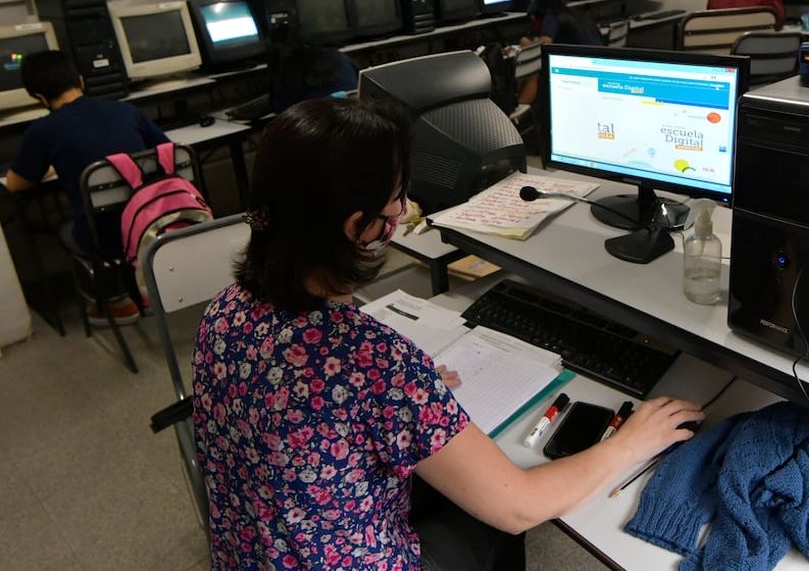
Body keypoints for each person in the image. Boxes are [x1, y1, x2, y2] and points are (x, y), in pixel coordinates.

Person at [192, 98, 704, 570]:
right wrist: (631, 443)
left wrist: (396, 401)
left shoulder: (224, 312)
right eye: (397, 198)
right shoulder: (371, 359)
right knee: (494, 515)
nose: (403, 208)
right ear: (356, 226)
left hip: (254, 555)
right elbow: (518, 506)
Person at [5, 50, 169, 324]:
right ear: (80, 81)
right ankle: (145, 291)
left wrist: (56, 164)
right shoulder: (125, 110)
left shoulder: (43, 131)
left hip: (104, 239)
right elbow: (168, 151)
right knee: (118, 213)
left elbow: (15, 183)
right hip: (150, 222)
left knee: (65, 226)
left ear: (40, 98)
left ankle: (116, 303)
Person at [518, 0, 604, 105]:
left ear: (534, 17)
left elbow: (544, 44)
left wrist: (525, 42)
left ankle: (516, 116)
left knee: (534, 72)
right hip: (599, 64)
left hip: (582, 69)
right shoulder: (576, 14)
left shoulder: (552, 17)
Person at [267, 25, 359, 114]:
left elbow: (283, 113)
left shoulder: (287, 76)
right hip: (355, 118)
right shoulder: (339, 58)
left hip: (319, 125)